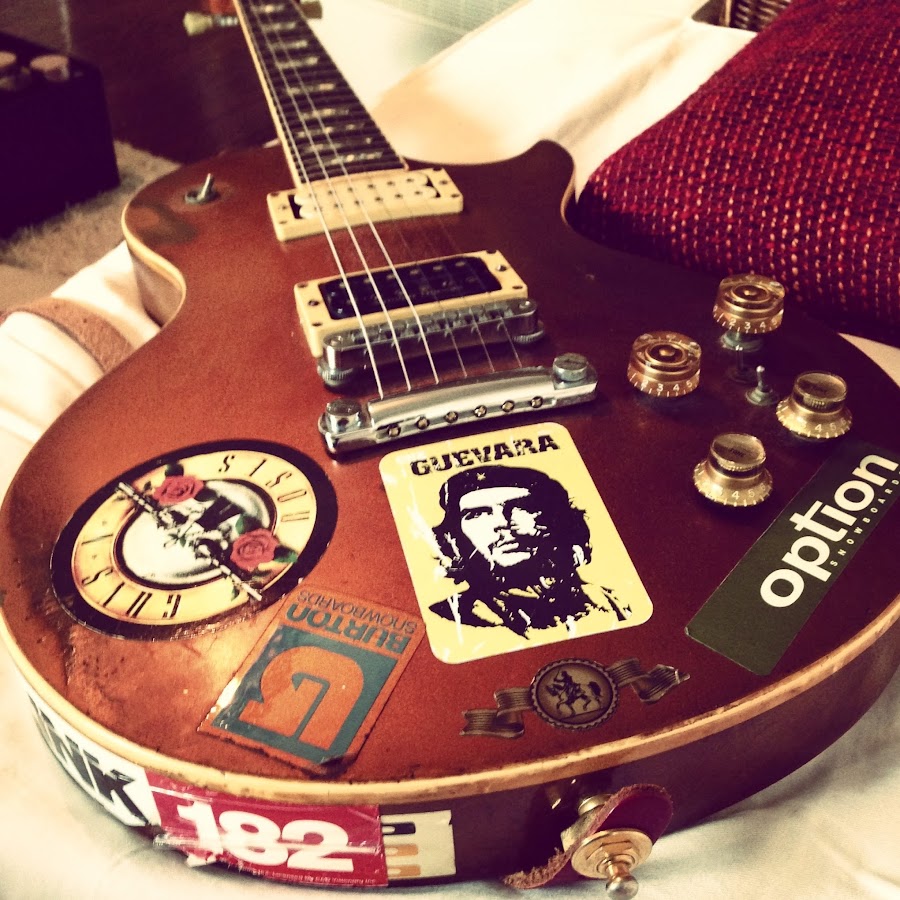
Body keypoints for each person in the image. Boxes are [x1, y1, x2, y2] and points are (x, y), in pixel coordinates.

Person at [429, 465, 602, 635]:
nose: (502, 523)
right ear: (455, 536)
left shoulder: (603, 601)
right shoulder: (452, 616)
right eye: (477, 514)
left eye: (521, 507)